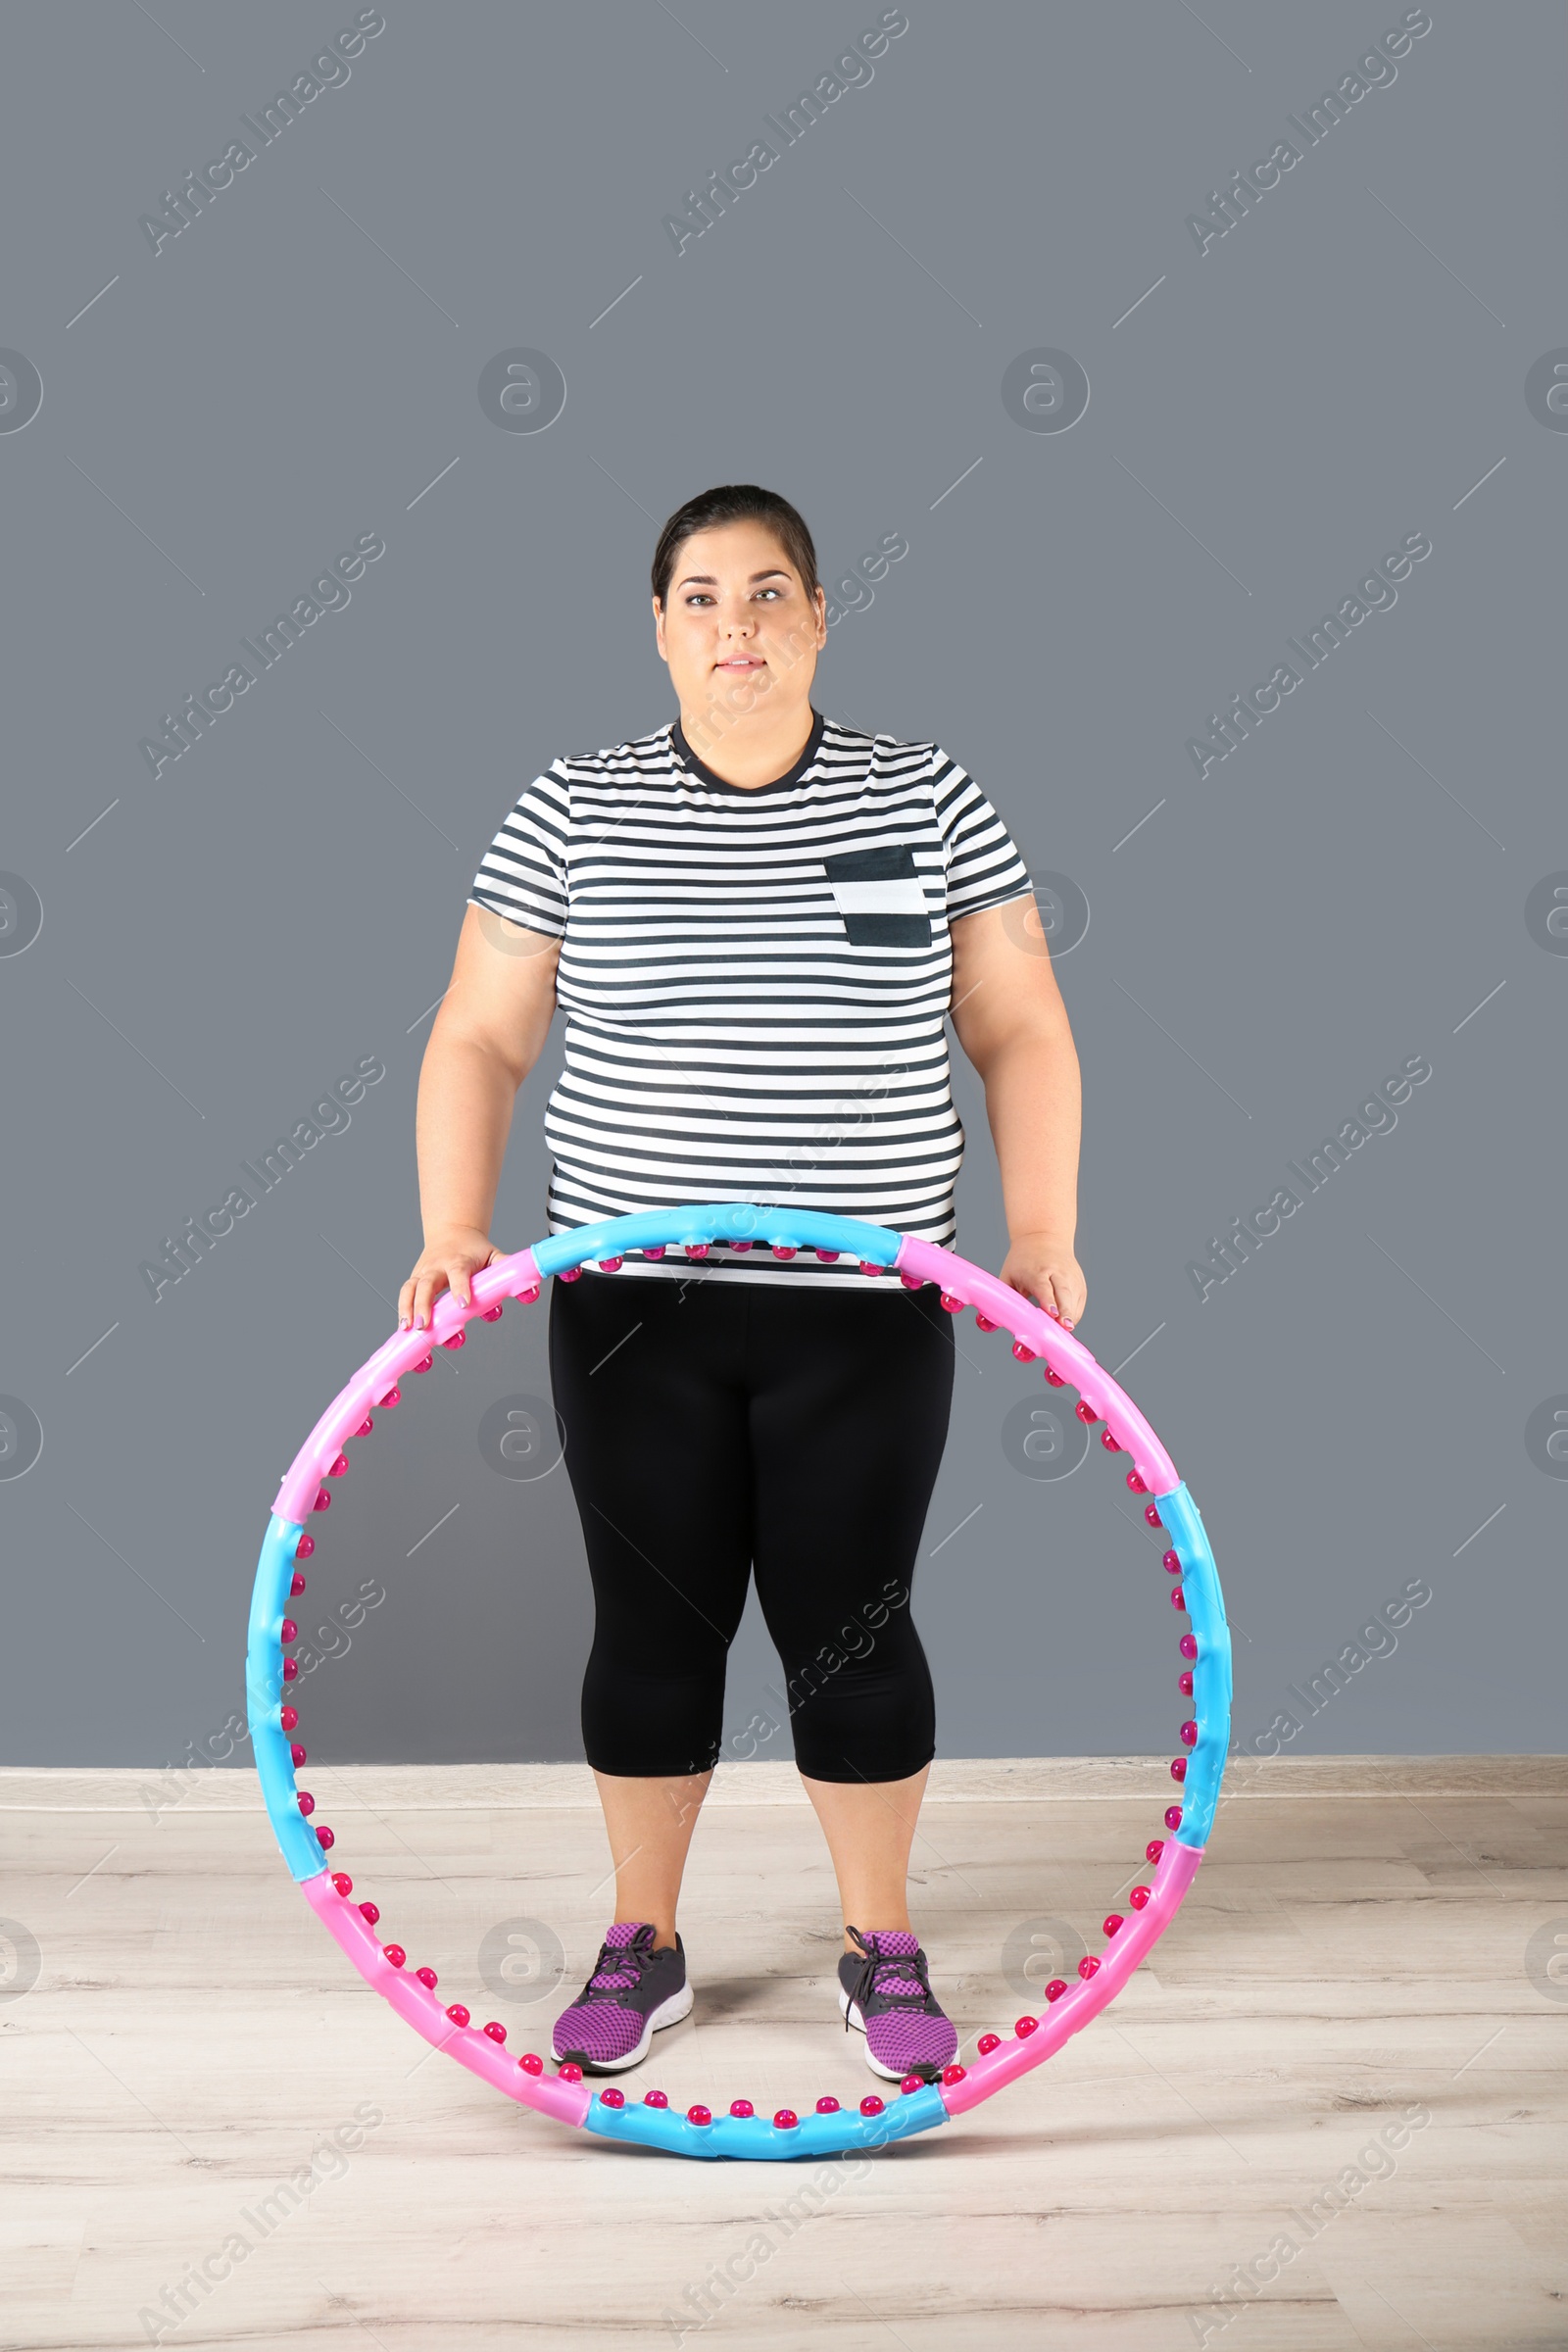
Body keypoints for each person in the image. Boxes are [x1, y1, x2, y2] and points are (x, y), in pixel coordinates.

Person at [398, 483, 1085, 2084]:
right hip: (632, 1307)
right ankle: (642, 1942)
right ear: (658, 631)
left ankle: (881, 1948)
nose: (738, 627)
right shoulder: (571, 805)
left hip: (868, 1312)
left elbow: (1022, 1028)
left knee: (853, 1634)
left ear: (823, 616)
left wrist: (1040, 1228)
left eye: (769, 593)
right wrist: (451, 1222)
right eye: (701, 599)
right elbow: (479, 1034)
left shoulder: (932, 798)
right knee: (654, 1628)